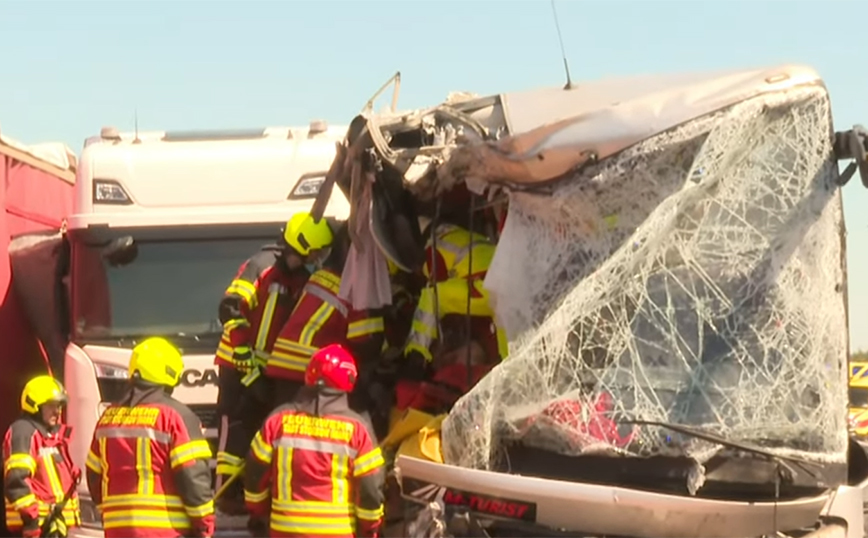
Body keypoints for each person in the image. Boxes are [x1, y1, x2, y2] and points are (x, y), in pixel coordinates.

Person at [213, 211, 328, 513]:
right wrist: (241, 353)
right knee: (236, 423)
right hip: (236, 361)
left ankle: (257, 493)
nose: (317, 258)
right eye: (315, 252)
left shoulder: (305, 278)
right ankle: (226, 493)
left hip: (267, 367)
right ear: (301, 245)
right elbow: (229, 308)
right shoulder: (260, 267)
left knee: (262, 426)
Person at [244, 344, 386, 538]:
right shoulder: (357, 428)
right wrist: (370, 527)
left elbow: (255, 472)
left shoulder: (277, 420)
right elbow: (370, 487)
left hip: (285, 530)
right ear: (349, 378)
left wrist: (258, 511)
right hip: (338, 532)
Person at [85, 337, 214, 538]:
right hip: (166, 531)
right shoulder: (175, 416)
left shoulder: (107, 417)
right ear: (170, 373)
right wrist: (204, 523)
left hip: (117, 530)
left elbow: (94, 473)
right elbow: (193, 476)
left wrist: (109, 512)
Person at [265, 221, 385, 410]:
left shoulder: (320, 276)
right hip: (308, 369)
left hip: (283, 365)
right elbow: (364, 342)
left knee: (288, 430)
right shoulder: (356, 290)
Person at [402, 222, 508, 378]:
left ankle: (417, 354)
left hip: (485, 286)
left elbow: (438, 292)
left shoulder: (432, 248)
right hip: (509, 288)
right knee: (510, 358)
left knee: (432, 297)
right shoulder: (462, 236)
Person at [3, 375, 81, 538]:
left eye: (59, 405)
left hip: (53, 524)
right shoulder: (24, 432)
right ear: (34, 406)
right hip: (35, 527)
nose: (57, 411)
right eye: (51, 405)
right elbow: (16, 480)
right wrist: (31, 519)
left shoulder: (51, 436)